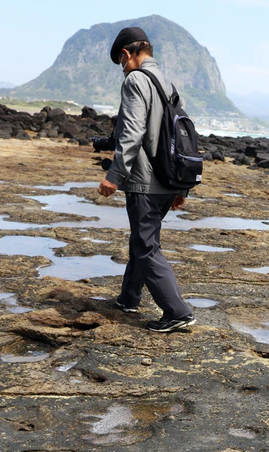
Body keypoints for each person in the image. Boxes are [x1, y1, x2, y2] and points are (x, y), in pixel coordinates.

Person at [98, 27, 195, 333]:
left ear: (127, 54)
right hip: (169, 179)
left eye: (120, 63)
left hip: (145, 181)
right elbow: (182, 138)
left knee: (146, 247)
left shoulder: (136, 80)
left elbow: (132, 132)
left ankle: (177, 312)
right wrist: (182, 188)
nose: (122, 69)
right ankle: (129, 297)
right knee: (142, 240)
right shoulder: (167, 84)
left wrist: (114, 176)